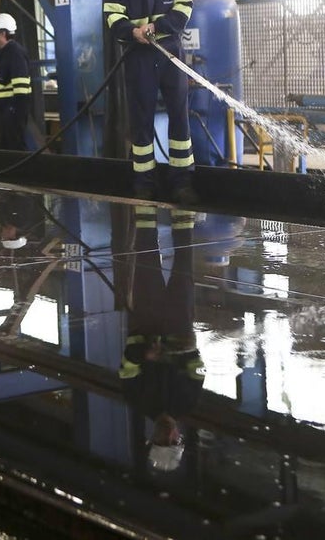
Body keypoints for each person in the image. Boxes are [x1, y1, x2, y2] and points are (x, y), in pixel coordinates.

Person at [103, 0, 196, 202]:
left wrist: (156, 29)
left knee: (179, 116)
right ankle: (144, 181)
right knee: (141, 119)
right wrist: (132, 32)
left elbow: (184, 8)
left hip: (170, 54)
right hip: (138, 57)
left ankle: (182, 182)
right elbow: (113, 16)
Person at [121, 203, 204, 473]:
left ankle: (144, 210)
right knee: (184, 264)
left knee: (146, 262)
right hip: (179, 323)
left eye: (160, 441)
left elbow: (127, 367)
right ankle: (183, 216)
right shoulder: (187, 402)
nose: (166, 436)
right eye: (171, 441)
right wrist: (185, 350)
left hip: (146, 320)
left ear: (152, 437)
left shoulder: (138, 399)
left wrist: (145, 353)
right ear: (178, 438)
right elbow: (198, 371)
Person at [0, 13, 33, 150]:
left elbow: (21, 87)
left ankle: (22, 172)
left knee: (15, 145)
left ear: (2, 33)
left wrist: (14, 110)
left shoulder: (14, 53)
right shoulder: (5, 53)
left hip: (12, 110)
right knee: (8, 145)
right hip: (7, 109)